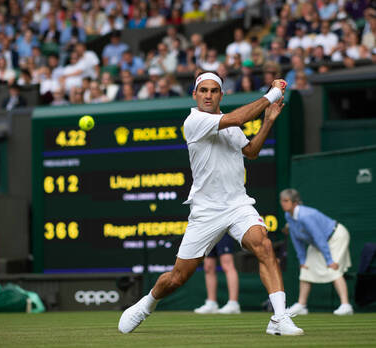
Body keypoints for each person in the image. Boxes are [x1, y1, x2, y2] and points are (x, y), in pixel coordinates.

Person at [118, 71, 304, 336]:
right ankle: (146, 304)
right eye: (203, 90)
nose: (208, 95)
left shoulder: (230, 125)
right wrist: (272, 94)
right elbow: (239, 117)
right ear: (195, 95)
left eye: (213, 90)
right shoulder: (194, 121)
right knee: (177, 278)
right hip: (206, 210)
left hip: (238, 204)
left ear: (220, 95)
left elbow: (250, 152)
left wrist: (268, 121)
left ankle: (279, 318)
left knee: (263, 245)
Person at [280, 189, 354, 316]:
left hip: (336, 236)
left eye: (286, 201)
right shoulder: (288, 216)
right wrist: (302, 260)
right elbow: (296, 239)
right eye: (282, 201)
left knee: (333, 268)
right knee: (306, 269)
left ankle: (346, 305)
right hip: (320, 242)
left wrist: (329, 260)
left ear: (295, 202)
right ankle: (301, 305)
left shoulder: (305, 216)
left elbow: (319, 237)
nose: (283, 204)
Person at [194, 234, 241, 314]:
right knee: (208, 267)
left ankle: (233, 303)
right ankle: (211, 303)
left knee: (227, 264)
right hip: (208, 231)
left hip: (223, 229)